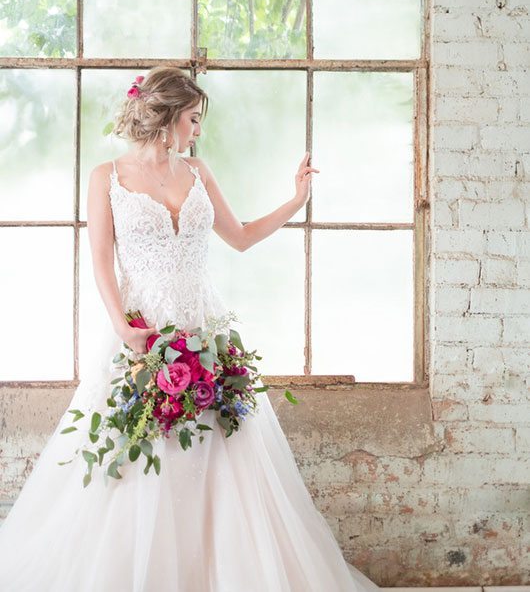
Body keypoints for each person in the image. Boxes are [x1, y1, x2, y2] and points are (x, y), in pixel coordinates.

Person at [0, 66, 379, 591]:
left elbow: (241, 237)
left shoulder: (198, 172)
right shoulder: (106, 177)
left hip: (206, 329)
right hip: (142, 333)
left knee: (224, 456)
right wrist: (124, 328)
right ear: (169, 116)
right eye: (193, 119)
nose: (197, 131)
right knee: (140, 455)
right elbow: (101, 261)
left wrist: (296, 201)